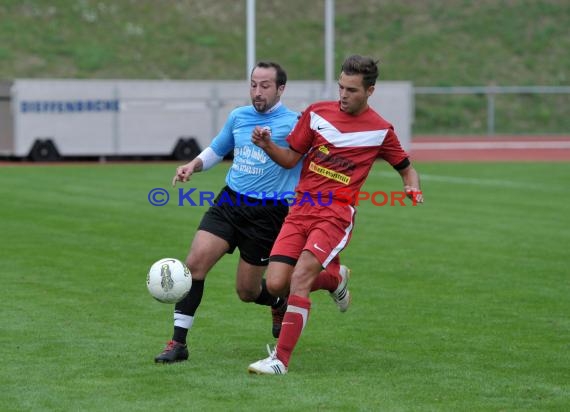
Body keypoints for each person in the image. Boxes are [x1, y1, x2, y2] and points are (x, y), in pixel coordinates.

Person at [247, 55, 424, 375]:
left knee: (299, 278)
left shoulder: (381, 130)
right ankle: (335, 278)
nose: (343, 95)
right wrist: (267, 145)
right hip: (299, 210)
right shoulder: (316, 114)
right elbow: (290, 160)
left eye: (352, 90)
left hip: (335, 214)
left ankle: (280, 361)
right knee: (275, 285)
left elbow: (406, 169)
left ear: (370, 91)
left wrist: (412, 187)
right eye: (341, 87)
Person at [154, 61, 303, 363]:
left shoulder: (296, 123)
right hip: (230, 202)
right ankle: (178, 344)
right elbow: (217, 150)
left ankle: (277, 300)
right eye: (253, 85)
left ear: (281, 89)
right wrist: (192, 166)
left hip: (268, 213)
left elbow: (304, 161)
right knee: (194, 265)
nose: (257, 92)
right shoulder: (239, 116)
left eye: (265, 86)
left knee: (247, 292)